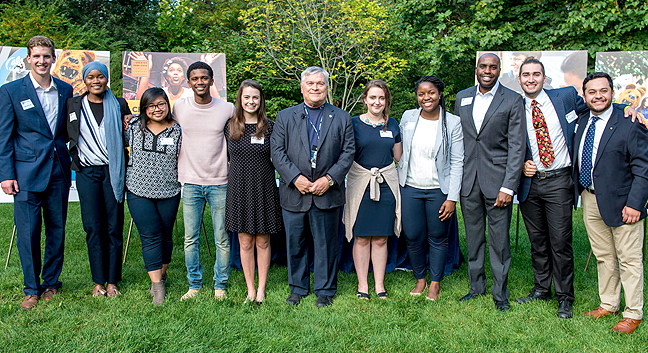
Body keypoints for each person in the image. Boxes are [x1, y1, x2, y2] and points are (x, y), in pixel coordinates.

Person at [515, 58, 638, 319]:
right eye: (526, 75)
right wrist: (521, 165)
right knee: (537, 242)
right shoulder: (514, 106)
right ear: (519, 79)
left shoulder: (566, 97)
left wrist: (627, 109)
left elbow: (599, 106)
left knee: (560, 242)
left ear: (544, 77)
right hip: (530, 183)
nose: (531, 79)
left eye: (536, 74)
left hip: (560, 180)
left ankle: (564, 297)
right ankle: (541, 289)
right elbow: (508, 143)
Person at [271, 66, 355, 308]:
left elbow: (348, 153)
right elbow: (277, 151)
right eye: (311, 84)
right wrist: (295, 178)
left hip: (327, 192)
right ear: (302, 87)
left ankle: (325, 289)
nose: (315, 88)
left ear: (327, 88)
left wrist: (328, 180)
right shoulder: (286, 116)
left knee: (326, 244)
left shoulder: (341, 117)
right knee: (295, 242)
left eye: (320, 84)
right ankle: (297, 288)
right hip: (294, 191)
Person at [0, 36, 74, 309]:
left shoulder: (65, 90)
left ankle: (52, 283)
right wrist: (5, 174)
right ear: (28, 59)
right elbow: (4, 137)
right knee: (28, 232)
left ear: (54, 58)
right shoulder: (11, 91)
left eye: (47, 56)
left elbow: (69, 131)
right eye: (37, 56)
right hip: (25, 174)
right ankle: (31, 288)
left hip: (58, 171)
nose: (42, 61)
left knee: (57, 229)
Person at [574, 72, 648, 334]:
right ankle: (609, 303)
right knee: (604, 256)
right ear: (584, 96)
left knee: (629, 259)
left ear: (612, 93)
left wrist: (636, 204)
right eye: (592, 92)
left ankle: (633, 313)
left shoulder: (629, 122)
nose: (598, 96)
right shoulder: (583, 119)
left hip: (624, 203)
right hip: (590, 199)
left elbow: (643, 167)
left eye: (603, 91)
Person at [454, 53, 526, 312]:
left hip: (498, 182)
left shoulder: (513, 99)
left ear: (499, 70)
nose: (487, 71)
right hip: (468, 180)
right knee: (473, 238)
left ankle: (500, 293)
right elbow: (458, 140)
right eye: (483, 66)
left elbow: (517, 146)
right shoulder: (462, 97)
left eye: (493, 67)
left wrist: (509, 186)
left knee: (499, 241)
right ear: (476, 69)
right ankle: (476, 287)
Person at [66, 61, 132, 298]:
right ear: (85, 80)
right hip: (87, 173)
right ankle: (98, 281)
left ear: (107, 79)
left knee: (114, 226)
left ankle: (113, 280)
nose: (96, 81)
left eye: (100, 76)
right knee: (93, 227)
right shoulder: (73, 104)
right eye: (91, 77)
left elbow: (129, 134)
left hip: (112, 170)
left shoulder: (119, 104)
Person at [398, 76, 464, 301]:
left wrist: (452, 198)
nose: (426, 98)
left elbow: (457, 162)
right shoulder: (408, 117)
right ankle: (420, 279)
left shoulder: (452, 122)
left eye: (431, 93)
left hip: (439, 190)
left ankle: (435, 283)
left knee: (437, 237)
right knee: (413, 236)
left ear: (440, 94)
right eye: (421, 94)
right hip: (410, 188)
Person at [174, 61, 235, 301]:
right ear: (188, 83)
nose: (200, 82)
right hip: (190, 182)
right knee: (191, 238)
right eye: (195, 78)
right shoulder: (179, 107)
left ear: (212, 81)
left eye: (204, 78)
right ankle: (195, 285)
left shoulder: (227, 108)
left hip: (220, 182)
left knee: (222, 237)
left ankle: (220, 284)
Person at [343, 79, 402, 300]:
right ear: (365, 99)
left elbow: (398, 157)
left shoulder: (393, 124)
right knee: (361, 237)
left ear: (386, 101)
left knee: (380, 239)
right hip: (361, 185)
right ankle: (362, 286)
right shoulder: (353, 123)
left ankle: (379, 285)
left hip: (386, 186)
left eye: (381, 98)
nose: (377, 102)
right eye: (373, 97)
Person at [224, 80, 282, 305]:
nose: (251, 101)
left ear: (261, 100)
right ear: (240, 99)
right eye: (247, 97)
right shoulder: (229, 126)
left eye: (255, 97)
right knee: (245, 241)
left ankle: (262, 289)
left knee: (263, 241)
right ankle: (250, 289)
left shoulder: (270, 126)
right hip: (238, 187)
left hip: (264, 187)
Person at [125, 87, 181, 305]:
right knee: (150, 236)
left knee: (166, 235)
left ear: (167, 105)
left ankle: (162, 274)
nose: (157, 109)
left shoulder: (178, 130)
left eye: (161, 104)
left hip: (169, 190)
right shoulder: (132, 127)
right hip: (139, 190)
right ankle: (157, 286)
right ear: (144, 108)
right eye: (151, 106)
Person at [129, 52, 222, 100]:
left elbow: (216, 100)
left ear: (183, 77)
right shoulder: (160, 93)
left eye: (179, 70)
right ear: (166, 77)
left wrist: (206, 69)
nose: (175, 73)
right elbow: (139, 101)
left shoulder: (191, 93)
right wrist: (146, 71)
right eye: (171, 70)